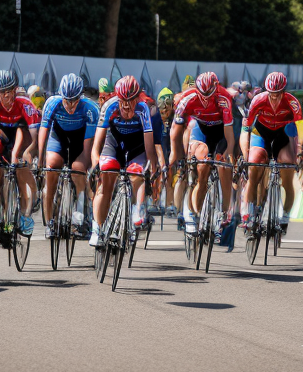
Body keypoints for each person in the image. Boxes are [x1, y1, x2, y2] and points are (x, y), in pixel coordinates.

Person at [90, 76, 159, 246]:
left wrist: (153, 170)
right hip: (113, 143)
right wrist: (95, 166)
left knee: (137, 173)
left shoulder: (143, 109)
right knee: (106, 180)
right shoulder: (109, 106)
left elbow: (149, 147)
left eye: (131, 100)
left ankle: (136, 209)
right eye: (123, 101)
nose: (127, 105)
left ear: (138, 98)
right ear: (117, 97)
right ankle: (97, 229)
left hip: (136, 147)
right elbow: (97, 145)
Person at [169, 72, 235, 233]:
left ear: (216, 88)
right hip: (201, 131)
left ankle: (224, 212)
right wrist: (177, 156)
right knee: (202, 166)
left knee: (224, 166)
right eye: (202, 95)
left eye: (209, 95)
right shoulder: (187, 98)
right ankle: (193, 212)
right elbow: (175, 133)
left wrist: (229, 152)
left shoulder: (224, 98)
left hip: (221, 133)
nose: (205, 100)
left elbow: (229, 136)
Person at [239, 72, 303, 230]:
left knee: (288, 165)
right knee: (254, 162)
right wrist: (245, 153)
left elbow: (300, 127)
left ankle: (285, 216)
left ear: (283, 91)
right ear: (266, 91)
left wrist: (301, 148)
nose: (274, 97)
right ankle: (250, 212)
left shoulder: (292, 102)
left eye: (278, 94)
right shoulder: (258, 100)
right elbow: (245, 129)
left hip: (283, 135)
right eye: (271, 94)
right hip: (261, 133)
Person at [37, 74, 98, 239]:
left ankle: (79, 215)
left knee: (78, 169)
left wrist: (86, 167)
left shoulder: (90, 109)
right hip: (58, 138)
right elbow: (43, 133)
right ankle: (49, 222)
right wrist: (40, 160)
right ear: (60, 96)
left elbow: (87, 150)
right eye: (66, 100)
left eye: (74, 100)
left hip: (80, 141)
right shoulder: (52, 103)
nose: (70, 105)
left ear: (81, 97)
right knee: (51, 168)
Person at [0, 69, 41, 236]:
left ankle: (26, 212)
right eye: (2, 93)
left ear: (15, 90)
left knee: (20, 165)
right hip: (1, 134)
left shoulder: (25, 104)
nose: (6, 97)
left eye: (9, 92)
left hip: (22, 134)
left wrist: (30, 154)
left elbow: (35, 140)